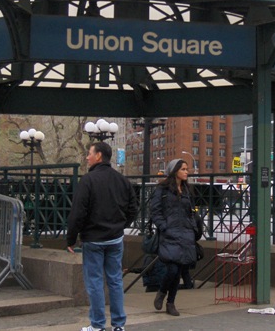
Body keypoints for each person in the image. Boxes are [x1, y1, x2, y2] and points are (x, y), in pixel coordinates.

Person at [67, 141, 138, 331]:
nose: (87, 157)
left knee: (95, 282)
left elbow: (78, 212)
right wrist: (121, 226)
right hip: (115, 238)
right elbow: (133, 208)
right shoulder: (122, 180)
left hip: (93, 240)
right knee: (115, 281)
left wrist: (71, 238)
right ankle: (118, 325)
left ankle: (97, 325)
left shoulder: (88, 180)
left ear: (98, 156)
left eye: (89, 153)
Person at [150, 159, 197, 317]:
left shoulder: (186, 190)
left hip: (185, 235)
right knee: (173, 269)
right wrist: (164, 227)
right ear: (174, 170)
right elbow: (155, 211)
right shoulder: (162, 190)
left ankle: (171, 303)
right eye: (183, 169)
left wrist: (193, 227)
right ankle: (162, 292)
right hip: (170, 234)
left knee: (179, 270)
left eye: (186, 169)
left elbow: (191, 212)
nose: (186, 172)